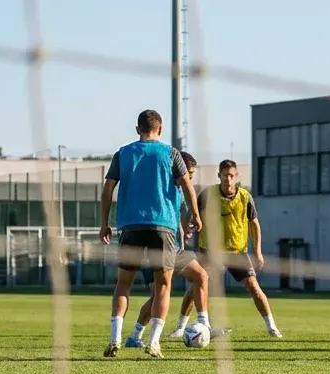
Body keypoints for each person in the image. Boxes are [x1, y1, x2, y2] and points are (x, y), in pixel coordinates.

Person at [99, 110, 203, 359]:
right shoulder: (170, 153)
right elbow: (187, 183)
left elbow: (108, 188)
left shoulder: (123, 153)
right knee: (163, 285)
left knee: (124, 283)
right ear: (161, 129)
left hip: (130, 225)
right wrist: (195, 214)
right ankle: (154, 342)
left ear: (138, 129)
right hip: (162, 226)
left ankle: (115, 340)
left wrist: (105, 222)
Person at [167, 159, 280, 340]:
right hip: (210, 251)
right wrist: (186, 228)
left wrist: (258, 252)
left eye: (231, 175)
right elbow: (191, 213)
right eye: (225, 175)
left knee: (254, 288)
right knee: (197, 285)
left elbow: (254, 224)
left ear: (236, 177)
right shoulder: (208, 194)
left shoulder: (244, 196)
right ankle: (180, 327)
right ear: (219, 176)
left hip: (237, 252)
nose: (228, 179)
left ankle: (272, 327)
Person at [123, 151, 214, 347]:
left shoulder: (179, 190)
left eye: (192, 174)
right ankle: (135, 337)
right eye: (189, 172)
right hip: (155, 250)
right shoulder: (162, 187)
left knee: (201, 276)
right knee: (158, 295)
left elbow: (176, 216)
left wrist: (184, 230)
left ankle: (204, 323)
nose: (190, 177)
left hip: (175, 249)